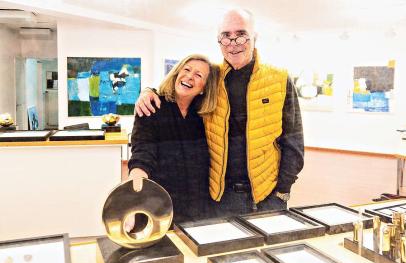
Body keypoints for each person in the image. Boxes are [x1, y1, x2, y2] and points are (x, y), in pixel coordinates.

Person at [135, 9, 304, 217]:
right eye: (226, 36)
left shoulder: (279, 79)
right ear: (219, 40)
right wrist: (148, 92)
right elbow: (180, 91)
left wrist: (283, 190)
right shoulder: (212, 78)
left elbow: (294, 140)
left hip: (267, 197)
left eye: (241, 34)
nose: (233, 43)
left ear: (255, 37)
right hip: (220, 199)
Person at [127, 54, 218, 225]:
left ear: (204, 87)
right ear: (176, 73)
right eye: (186, 69)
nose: (189, 76)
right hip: (158, 205)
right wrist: (132, 194)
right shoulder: (152, 106)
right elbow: (142, 153)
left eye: (198, 75)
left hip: (199, 208)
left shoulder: (206, 115)